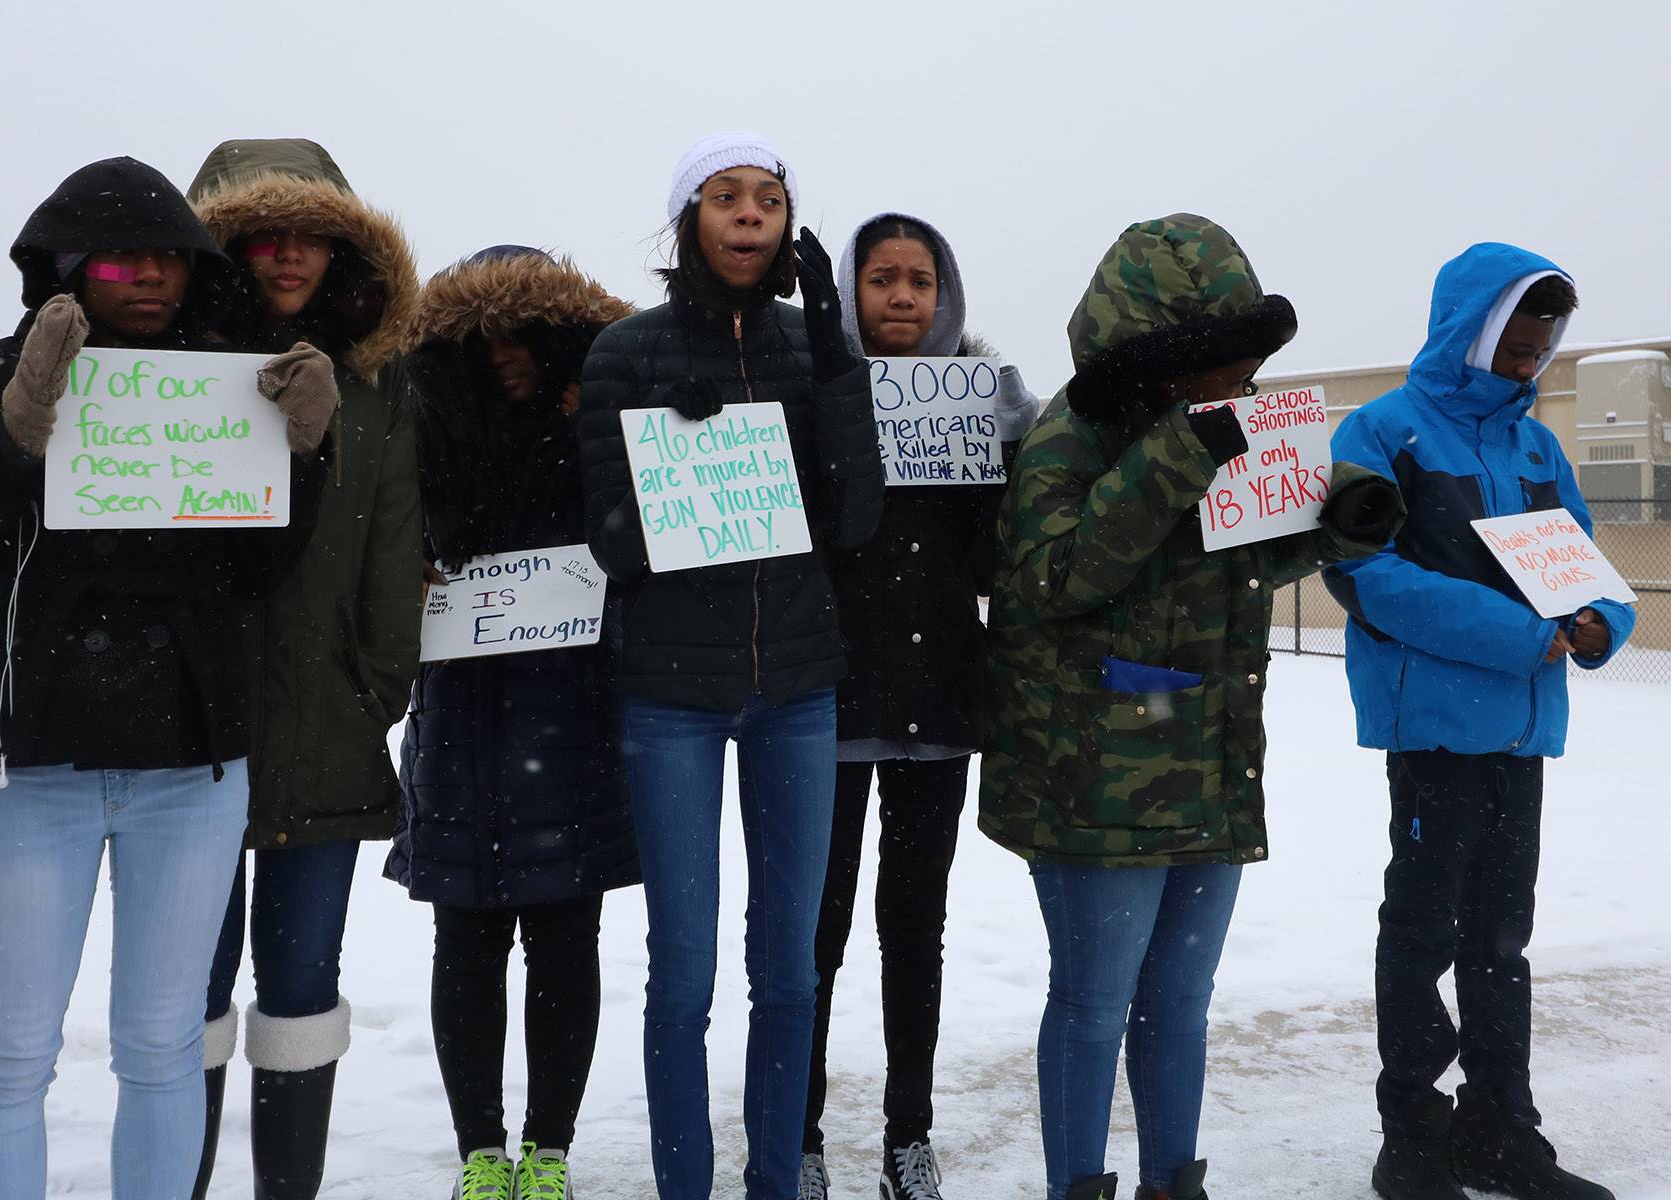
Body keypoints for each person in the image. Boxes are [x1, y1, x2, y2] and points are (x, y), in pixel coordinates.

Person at [0, 156, 334, 1200]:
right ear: (64, 264)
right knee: (9, 1055)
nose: (148, 276)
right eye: (119, 256)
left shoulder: (231, 382)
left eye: (169, 257)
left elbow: (263, 572)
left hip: (193, 773)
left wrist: (303, 456)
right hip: (29, 767)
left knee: (164, 1048)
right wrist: (14, 428)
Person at [979, 214, 1404, 1200]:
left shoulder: (1232, 425)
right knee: (1093, 1006)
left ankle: (1178, 1182)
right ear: (1163, 362)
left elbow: (1250, 543)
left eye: (1250, 364)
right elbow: (1054, 579)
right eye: (1225, 363)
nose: (1242, 383)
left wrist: (1341, 518)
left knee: (1179, 1003)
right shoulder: (1067, 443)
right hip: (1093, 780)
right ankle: (1076, 1187)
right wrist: (1178, 453)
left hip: (1208, 761)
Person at [576, 131, 884, 1200]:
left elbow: (858, 514)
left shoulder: (815, 348)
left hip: (798, 692)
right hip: (673, 700)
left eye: (767, 197)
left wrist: (838, 357)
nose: (749, 214)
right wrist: (684, 450)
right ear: (688, 220)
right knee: (685, 977)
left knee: (789, 974)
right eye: (724, 197)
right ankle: (685, 1188)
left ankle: (774, 1185)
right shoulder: (624, 351)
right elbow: (610, 540)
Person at [1324, 247, 1635, 1200]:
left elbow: (1586, 560)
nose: (1532, 352)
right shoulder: (1382, 432)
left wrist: (1601, 623)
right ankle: (1412, 1134)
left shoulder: (1535, 445)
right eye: (1518, 333)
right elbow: (1362, 572)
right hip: (1435, 734)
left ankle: (1503, 1131)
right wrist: (1518, 635)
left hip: (1521, 735)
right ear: (1473, 326)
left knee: (1500, 941)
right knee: (1421, 933)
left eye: (1546, 336)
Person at [183, 138, 423, 1200]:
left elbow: (392, 551)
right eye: (261, 236)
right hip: (181, 738)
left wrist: (375, 687)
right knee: (181, 996)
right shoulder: (171, 378)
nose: (287, 259)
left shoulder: (378, 387)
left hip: (327, 727)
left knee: (303, 991)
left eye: (311, 238)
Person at [387, 244, 640, 1200]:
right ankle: (480, 1154)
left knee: (566, 945)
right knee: (468, 945)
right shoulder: (421, 438)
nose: (501, 351)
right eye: (480, 335)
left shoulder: (599, 428)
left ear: (558, 335)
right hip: (460, 719)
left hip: (574, 716)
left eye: (520, 331)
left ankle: (549, 1150)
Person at [801, 212, 1038, 1200]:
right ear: (852, 291)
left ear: (947, 298)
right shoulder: (809, 396)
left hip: (938, 703)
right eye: (882, 278)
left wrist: (1015, 451)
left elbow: (994, 564)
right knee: (810, 936)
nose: (901, 297)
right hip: (821, 707)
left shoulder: (978, 403)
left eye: (921, 281)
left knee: (915, 929)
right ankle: (797, 1136)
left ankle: (910, 1134)